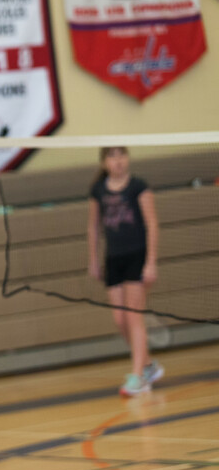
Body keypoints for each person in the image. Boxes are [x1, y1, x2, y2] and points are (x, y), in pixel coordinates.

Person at [87, 146, 163, 396]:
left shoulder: (138, 186)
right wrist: (94, 260)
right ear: (104, 162)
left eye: (122, 155)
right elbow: (94, 227)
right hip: (113, 259)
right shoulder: (98, 190)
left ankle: (138, 377)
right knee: (120, 320)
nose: (118, 161)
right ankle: (148, 365)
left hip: (137, 257)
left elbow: (152, 224)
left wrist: (151, 262)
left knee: (133, 317)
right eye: (112, 156)